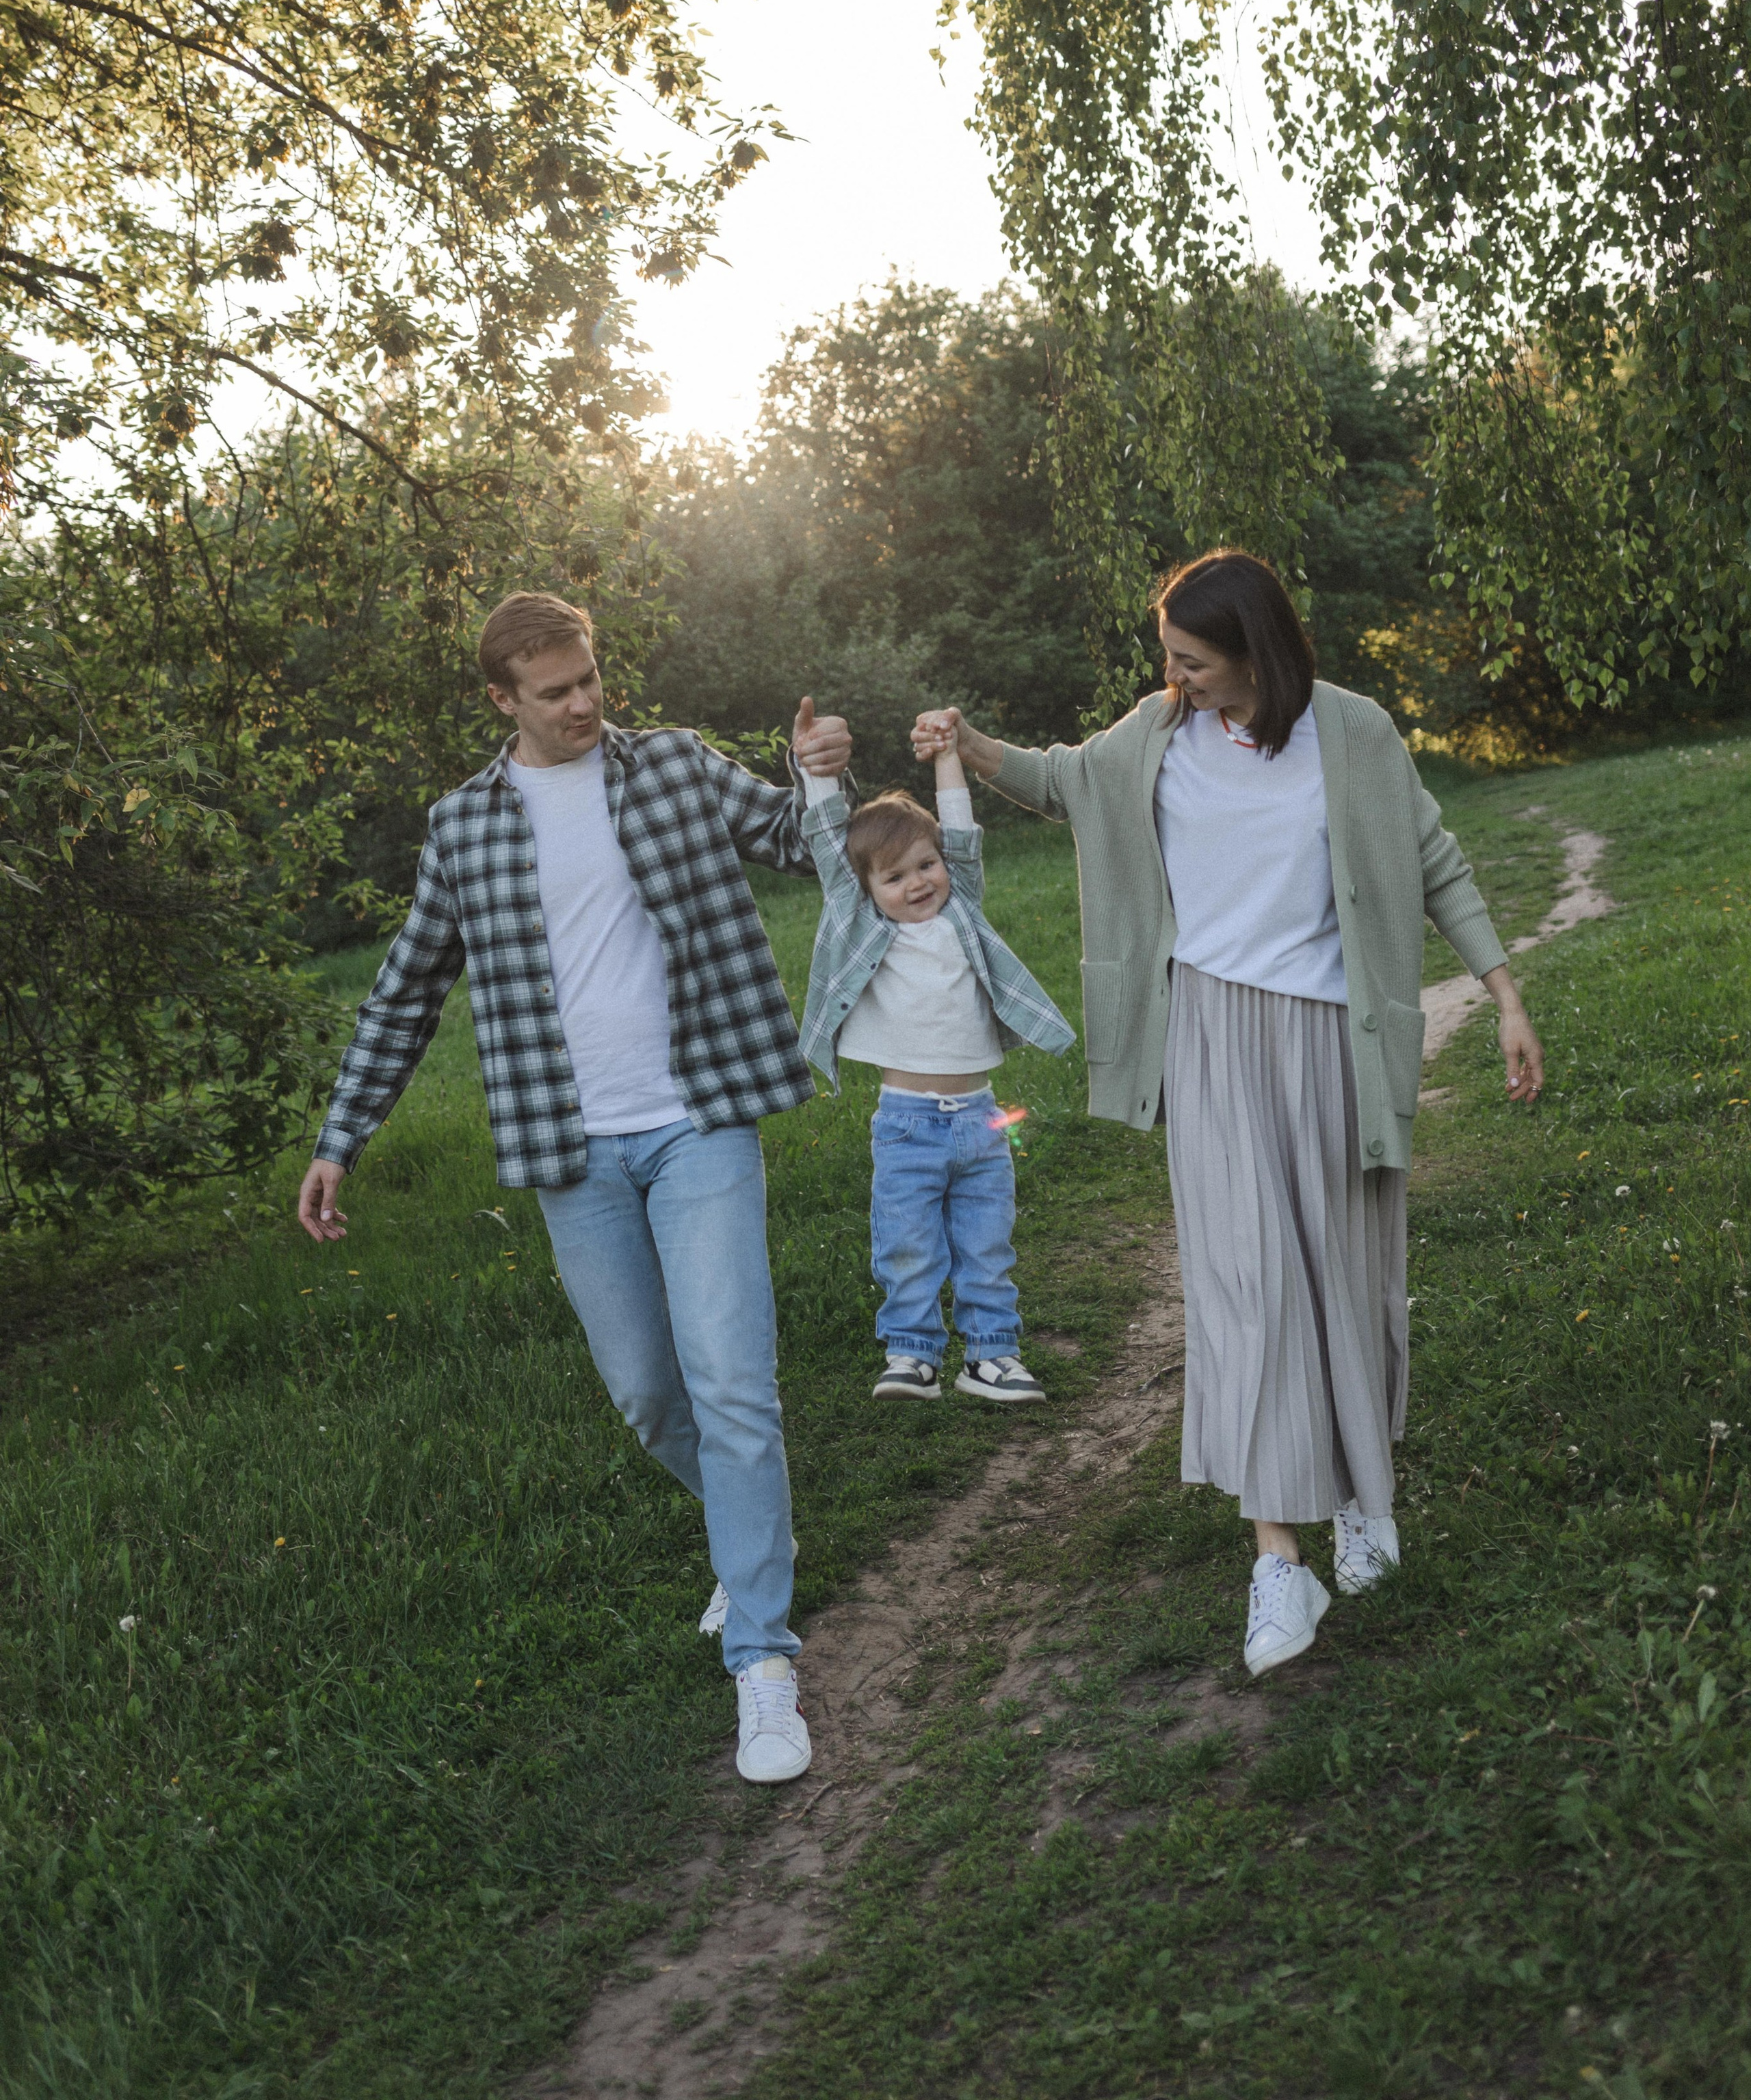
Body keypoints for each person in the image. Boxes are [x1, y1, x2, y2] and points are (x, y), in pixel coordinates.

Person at [911, 550, 1544, 1678]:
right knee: (1246, 1288)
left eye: (1195, 661)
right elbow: (1059, 781)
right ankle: (1277, 1559)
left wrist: (1502, 994)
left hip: (1333, 1041)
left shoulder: (1354, 734)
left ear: (1258, 651)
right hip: (1208, 1038)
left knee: (1344, 1273)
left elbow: (1434, 860)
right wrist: (966, 747)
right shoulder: (1157, 736)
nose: (1177, 678)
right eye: (1170, 659)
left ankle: (1361, 1498)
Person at [296, 590, 852, 1785]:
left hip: (699, 1119)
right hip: (571, 1151)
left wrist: (814, 777)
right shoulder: (464, 829)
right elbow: (403, 994)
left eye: (590, 679)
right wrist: (343, 1137)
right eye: (555, 693)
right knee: (651, 1396)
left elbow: (802, 842)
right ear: (503, 702)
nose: (586, 704)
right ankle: (750, 1527)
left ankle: (763, 1663)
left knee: (732, 1384)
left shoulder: (675, 770)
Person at [795, 730, 1075, 1405]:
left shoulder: (961, 909)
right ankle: (913, 1354)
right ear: (866, 887)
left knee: (987, 1248)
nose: (917, 883)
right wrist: (818, 775)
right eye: (894, 878)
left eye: (925, 866)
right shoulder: (859, 921)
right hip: (906, 1124)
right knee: (908, 1246)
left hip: (982, 1120)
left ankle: (991, 1357)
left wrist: (947, 753)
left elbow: (960, 829)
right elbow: (831, 844)